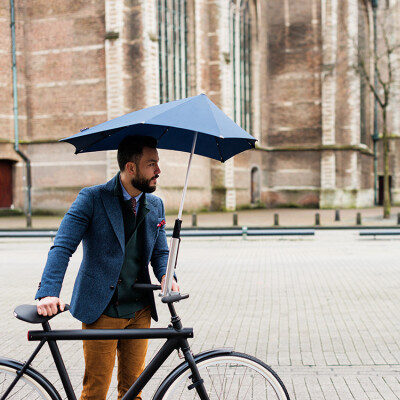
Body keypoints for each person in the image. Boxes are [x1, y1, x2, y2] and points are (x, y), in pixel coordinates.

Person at [35, 135, 178, 400]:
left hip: (140, 310)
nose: (158, 170)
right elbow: (62, 247)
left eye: (157, 163)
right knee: (95, 392)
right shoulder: (92, 198)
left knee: (133, 391)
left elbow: (160, 251)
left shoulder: (155, 204)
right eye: (151, 164)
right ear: (130, 168)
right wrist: (48, 292)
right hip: (102, 309)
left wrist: (166, 275)